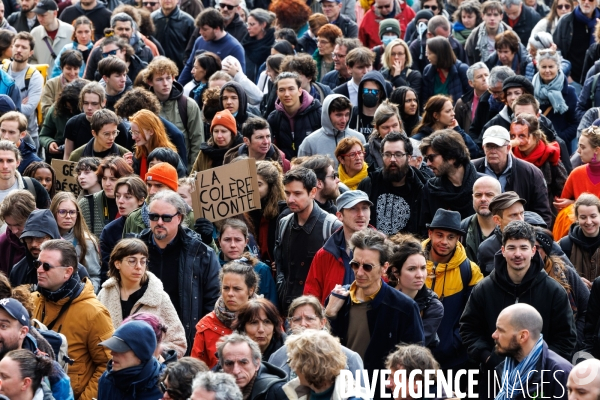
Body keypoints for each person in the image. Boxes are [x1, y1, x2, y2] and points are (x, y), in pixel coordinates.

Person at [460, 220, 577, 392]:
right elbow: (468, 329)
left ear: (533, 250)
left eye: (523, 248)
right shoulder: (484, 289)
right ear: (503, 250)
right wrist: (488, 358)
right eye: (512, 248)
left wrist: (540, 363)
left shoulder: (553, 291)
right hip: (493, 378)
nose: (517, 254)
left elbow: (566, 337)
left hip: (540, 380)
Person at [325, 229, 424, 398]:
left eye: (368, 267)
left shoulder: (404, 307)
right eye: (355, 265)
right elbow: (320, 352)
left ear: (384, 268)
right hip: (340, 391)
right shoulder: (337, 299)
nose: (360, 272)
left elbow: (415, 363)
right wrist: (328, 315)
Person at [32, 239, 114, 400]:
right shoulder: (31, 301)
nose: (39, 270)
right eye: (37, 264)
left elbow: (108, 365)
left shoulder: (94, 312)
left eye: (46, 266)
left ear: (68, 272)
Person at [137, 190, 220, 349]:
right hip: (141, 339)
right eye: (154, 216)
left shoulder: (200, 253)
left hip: (186, 341)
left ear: (179, 218)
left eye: (166, 217)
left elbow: (213, 301)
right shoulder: (134, 248)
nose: (159, 222)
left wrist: (200, 340)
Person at [97, 238, 187, 358]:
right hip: (110, 369)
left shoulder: (159, 296)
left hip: (147, 372)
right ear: (117, 263)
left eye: (143, 261)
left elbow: (178, 343)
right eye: (132, 261)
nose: (139, 267)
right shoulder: (104, 294)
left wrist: (151, 355)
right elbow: (94, 336)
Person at [275, 167, 342, 314]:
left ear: (312, 192)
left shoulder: (331, 226)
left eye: (297, 193)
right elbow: (280, 265)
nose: (290, 199)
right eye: (287, 193)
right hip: (287, 308)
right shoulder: (284, 223)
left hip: (317, 311)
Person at [423, 208, 483, 371]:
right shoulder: (412, 263)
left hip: (453, 361)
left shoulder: (470, 271)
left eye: (451, 237)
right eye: (439, 235)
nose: (444, 242)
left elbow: (476, 317)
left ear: (458, 238)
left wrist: (455, 343)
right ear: (430, 233)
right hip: (414, 357)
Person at [473, 126, 554, 227]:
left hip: (519, 236)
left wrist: (528, 238)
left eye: (497, 146)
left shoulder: (531, 173)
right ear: (483, 148)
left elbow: (542, 215)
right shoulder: (471, 169)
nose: (493, 151)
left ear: (508, 148)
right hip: (479, 232)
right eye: (489, 146)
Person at [490, 304, 571, 399]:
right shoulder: (507, 369)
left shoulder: (560, 373)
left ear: (523, 336)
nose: (494, 335)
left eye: (501, 330)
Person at [304, 190, 370, 304]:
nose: (361, 214)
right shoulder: (325, 254)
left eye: (364, 208)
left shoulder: (383, 250)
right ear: (339, 216)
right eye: (353, 208)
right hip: (333, 320)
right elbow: (311, 297)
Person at [191, 261, 258, 368]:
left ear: (251, 290)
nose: (230, 294)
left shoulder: (266, 318)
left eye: (237, 289)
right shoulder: (206, 325)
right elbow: (195, 371)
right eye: (226, 288)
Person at [358, 132, 425, 235]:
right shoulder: (369, 184)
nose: (392, 159)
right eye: (387, 154)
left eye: (398, 154)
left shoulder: (421, 188)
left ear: (409, 157)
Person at [145, 57, 203, 172]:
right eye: (159, 79)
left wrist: (191, 174)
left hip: (184, 171)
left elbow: (197, 142)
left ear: (173, 78)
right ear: (150, 82)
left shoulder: (188, 105)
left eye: (168, 78)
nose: (165, 83)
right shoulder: (145, 108)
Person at [9, 208, 91, 286]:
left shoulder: (76, 271)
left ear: (53, 238)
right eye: (28, 239)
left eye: (39, 238)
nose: (33, 244)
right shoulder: (18, 271)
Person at [387, 239, 443, 349]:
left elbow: (416, 346)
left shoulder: (432, 306)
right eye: (412, 269)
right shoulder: (383, 295)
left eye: (423, 268)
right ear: (396, 272)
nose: (419, 275)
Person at [419, 130, 481, 229]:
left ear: (451, 156)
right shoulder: (431, 188)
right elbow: (424, 229)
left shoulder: (484, 185)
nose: (428, 164)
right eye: (426, 159)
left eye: (431, 158)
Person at [283, 330, 368, 400]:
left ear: (308, 366)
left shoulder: (353, 397)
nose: (292, 367)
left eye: (292, 361)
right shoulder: (296, 391)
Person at [509, 113, 568, 212]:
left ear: (535, 137)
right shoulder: (509, 155)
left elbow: (563, 189)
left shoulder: (550, 156)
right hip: (515, 211)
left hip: (543, 212)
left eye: (522, 136)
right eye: (513, 136)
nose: (517, 141)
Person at [97, 320, 164, 400]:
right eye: (112, 347)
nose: (112, 353)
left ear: (140, 354)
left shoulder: (165, 387)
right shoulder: (106, 380)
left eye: (120, 349)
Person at [217, 219, 277, 305]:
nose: (233, 245)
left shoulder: (261, 269)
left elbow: (271, 307)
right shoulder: (212, 267)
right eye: (227, 240)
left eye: (238, 240)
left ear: (246, 242)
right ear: (219, 241)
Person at [49, 192, 101, 291]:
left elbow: (95, 277)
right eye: (62, 211)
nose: (68, 216)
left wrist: (85, 294)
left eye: (72, 212)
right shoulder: (45, 238)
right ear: (54, 212)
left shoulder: (87, 241)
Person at [179, 8, 245, 86]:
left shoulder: (235, 48)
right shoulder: (199, 41)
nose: (200, 32)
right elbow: (189, 66)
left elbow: (239, 79)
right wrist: (178, 87)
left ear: (217, 28)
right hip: (197, 89)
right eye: (199, 28)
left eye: (205, 29)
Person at [98, 176, 146, 280]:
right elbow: (106, 270)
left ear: (141, 200)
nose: (120, 201)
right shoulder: (109, 230)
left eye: (127, 197)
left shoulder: (152, 224)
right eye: (117, 196)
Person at [215, 333, 286, 400]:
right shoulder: (214, 392)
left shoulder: (277, 391)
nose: (236, 371)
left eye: (243, 363)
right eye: (229, 364)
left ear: (257, 364)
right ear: (222, 366)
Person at [532, 49, 581, 147]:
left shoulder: (568, 91)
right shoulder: (531, 89)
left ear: (558, 67)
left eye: (551, 67)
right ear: (538, 67)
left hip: (559, 147)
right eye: (543, 67)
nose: (547, 70)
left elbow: (576, 122)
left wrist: (559, 138)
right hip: (536, 145)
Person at [267, 72, 322, 160]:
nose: (286, 94)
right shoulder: (273, 118)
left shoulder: (317, 113)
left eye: (291, 89)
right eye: (282, 90)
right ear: (277, 93)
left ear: (300, 91)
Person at [298, 95, 364, 166]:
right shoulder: (309, 143)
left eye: (347, 115)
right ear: (327, 115)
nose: (344, 120)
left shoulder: (359, 138)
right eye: (339, 115)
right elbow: (301, 174)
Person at [4, 32, 43, 153]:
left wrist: (4, 105)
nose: (19, 50)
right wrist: (19, 104)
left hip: (27, 136)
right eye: (16, 46)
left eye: (24, 47)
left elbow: (28, 110)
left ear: (31, 52)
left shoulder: (34, 76)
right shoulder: (2, 70)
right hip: (3, 133)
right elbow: (22, 109)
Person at [78, 155, 133, 237]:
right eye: (104, 178)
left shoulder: (136, 203)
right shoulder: (87, 204)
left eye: (113, 179)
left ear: (125, 179)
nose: (107, 183)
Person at [411, 95, 481, 159]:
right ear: (436, 115)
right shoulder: (418, 140)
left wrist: (458, 130)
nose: (453, 114)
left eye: (452, 109)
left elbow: (474, 152)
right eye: (448, 111)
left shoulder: (453, 134)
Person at [248, 160, 285, 264]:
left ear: (271, 187)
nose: (253, 189)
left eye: (258, 184)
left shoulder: (283, 213)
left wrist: (280, 262)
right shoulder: (245, 212)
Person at [223, 116, 290, 171]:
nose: (266, 142)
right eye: (260, 137)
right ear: (246, 141)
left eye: (268, 136)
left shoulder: (284, 164)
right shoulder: (230, 161)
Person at [421, 37, 469, 109]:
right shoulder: (428, 71)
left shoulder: (462, 69)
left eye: (429, 53)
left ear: (440, 54)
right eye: (426, 52)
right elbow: (424, 100)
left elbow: (470, 96)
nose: (426, 55)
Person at [461, 176, 502, 263]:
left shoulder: (510, 229)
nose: (483, 199)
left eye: (489, 194)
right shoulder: (462, 228)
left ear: (500, 197)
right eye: (478, 195)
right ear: (472, 198)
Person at [129, 109, 178, 179]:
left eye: (137, 132)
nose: (133, 137)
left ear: (151, 131)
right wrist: (128, 169)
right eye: (132, 132)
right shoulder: (137, 156)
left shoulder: (170, 156)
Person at [190, 109, 243, 173]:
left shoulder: (242, 151)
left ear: (232, 134)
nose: (219, 136)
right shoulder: (204, 153)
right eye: (216, 131)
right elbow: (192, 178)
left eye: (223, 131)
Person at [0, 139, 49, 208]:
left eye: (9, 161)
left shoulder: (33, 186)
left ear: (18, 162)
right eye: (0, 161)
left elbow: (48, 216)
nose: (5, 166)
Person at [151, 0, 195, 73]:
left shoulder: (188, 21)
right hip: (155, 69)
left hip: (180, 70)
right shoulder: (151, 19)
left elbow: (192, 49)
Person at [29, 0, 74, 66]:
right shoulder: (34, 33)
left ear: (55, 13)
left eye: (43, 15)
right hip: (41, 76)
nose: (39, 19)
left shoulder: (71, 31)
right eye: (38, 15)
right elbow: (30, 58)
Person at [0, 190, 35, 274]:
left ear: (32, 217)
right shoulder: (3, 243)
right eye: (9, 225)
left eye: (18, 224)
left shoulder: (53, 241)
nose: (14, 231)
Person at [41, 49, 83, 118]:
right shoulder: (51, 84)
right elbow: (45, 110)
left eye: (75, 69)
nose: (72, 73)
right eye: (68, 69)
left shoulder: (87, 85)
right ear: (61, 68)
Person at [455, 62, 490, 139]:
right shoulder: (462, 103)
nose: (484, 79)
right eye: (479, 76)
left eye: (486, 75)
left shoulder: (496, 99)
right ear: (471, 83)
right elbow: (457, 130)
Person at [241, 9, 275, 84]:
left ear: (263, 24)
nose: (248, 27)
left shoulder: (274, 44)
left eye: (252, 24)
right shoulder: (246, 43)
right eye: (248, 24)